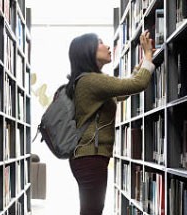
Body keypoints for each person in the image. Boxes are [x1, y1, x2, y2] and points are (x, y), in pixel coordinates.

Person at [66, 30, 155, 215]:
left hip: (86, 157)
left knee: (91, 209)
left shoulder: (86, 80)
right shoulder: (92, 80)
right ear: (87, 51)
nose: (107, 46)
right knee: (92, 211)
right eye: (100, 42)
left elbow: (123, 90)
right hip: (90, 157)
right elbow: (137, 85)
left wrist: (142, 65)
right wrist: (147, 55)